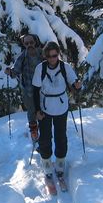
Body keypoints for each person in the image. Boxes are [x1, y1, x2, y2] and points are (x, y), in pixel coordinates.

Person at [32, 41, 81, 182]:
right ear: (45, 56)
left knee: (61, 136)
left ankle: (60, 163)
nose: (52, 58)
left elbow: (74, 83)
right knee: (45, 137)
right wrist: (37, 110)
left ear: (58, 54)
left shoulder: (65, 67)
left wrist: (77, 86)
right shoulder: (40, 68)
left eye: (54, 55)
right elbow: (35, 90)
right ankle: (46, 164)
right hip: (45, 107)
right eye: (49, 56)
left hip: (61, 106)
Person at [5, 34, 43, 141]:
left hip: (43, 89)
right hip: (28, 89)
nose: (29, 45)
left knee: (43, 109)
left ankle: (44, 128)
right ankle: (34, 131)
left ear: (35, 42)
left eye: (31, 42)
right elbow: (15, 71)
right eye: (26, 43)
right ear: (24, 45)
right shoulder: (22, 57)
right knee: (31, 110)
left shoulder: (42, 54)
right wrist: (9, 72)